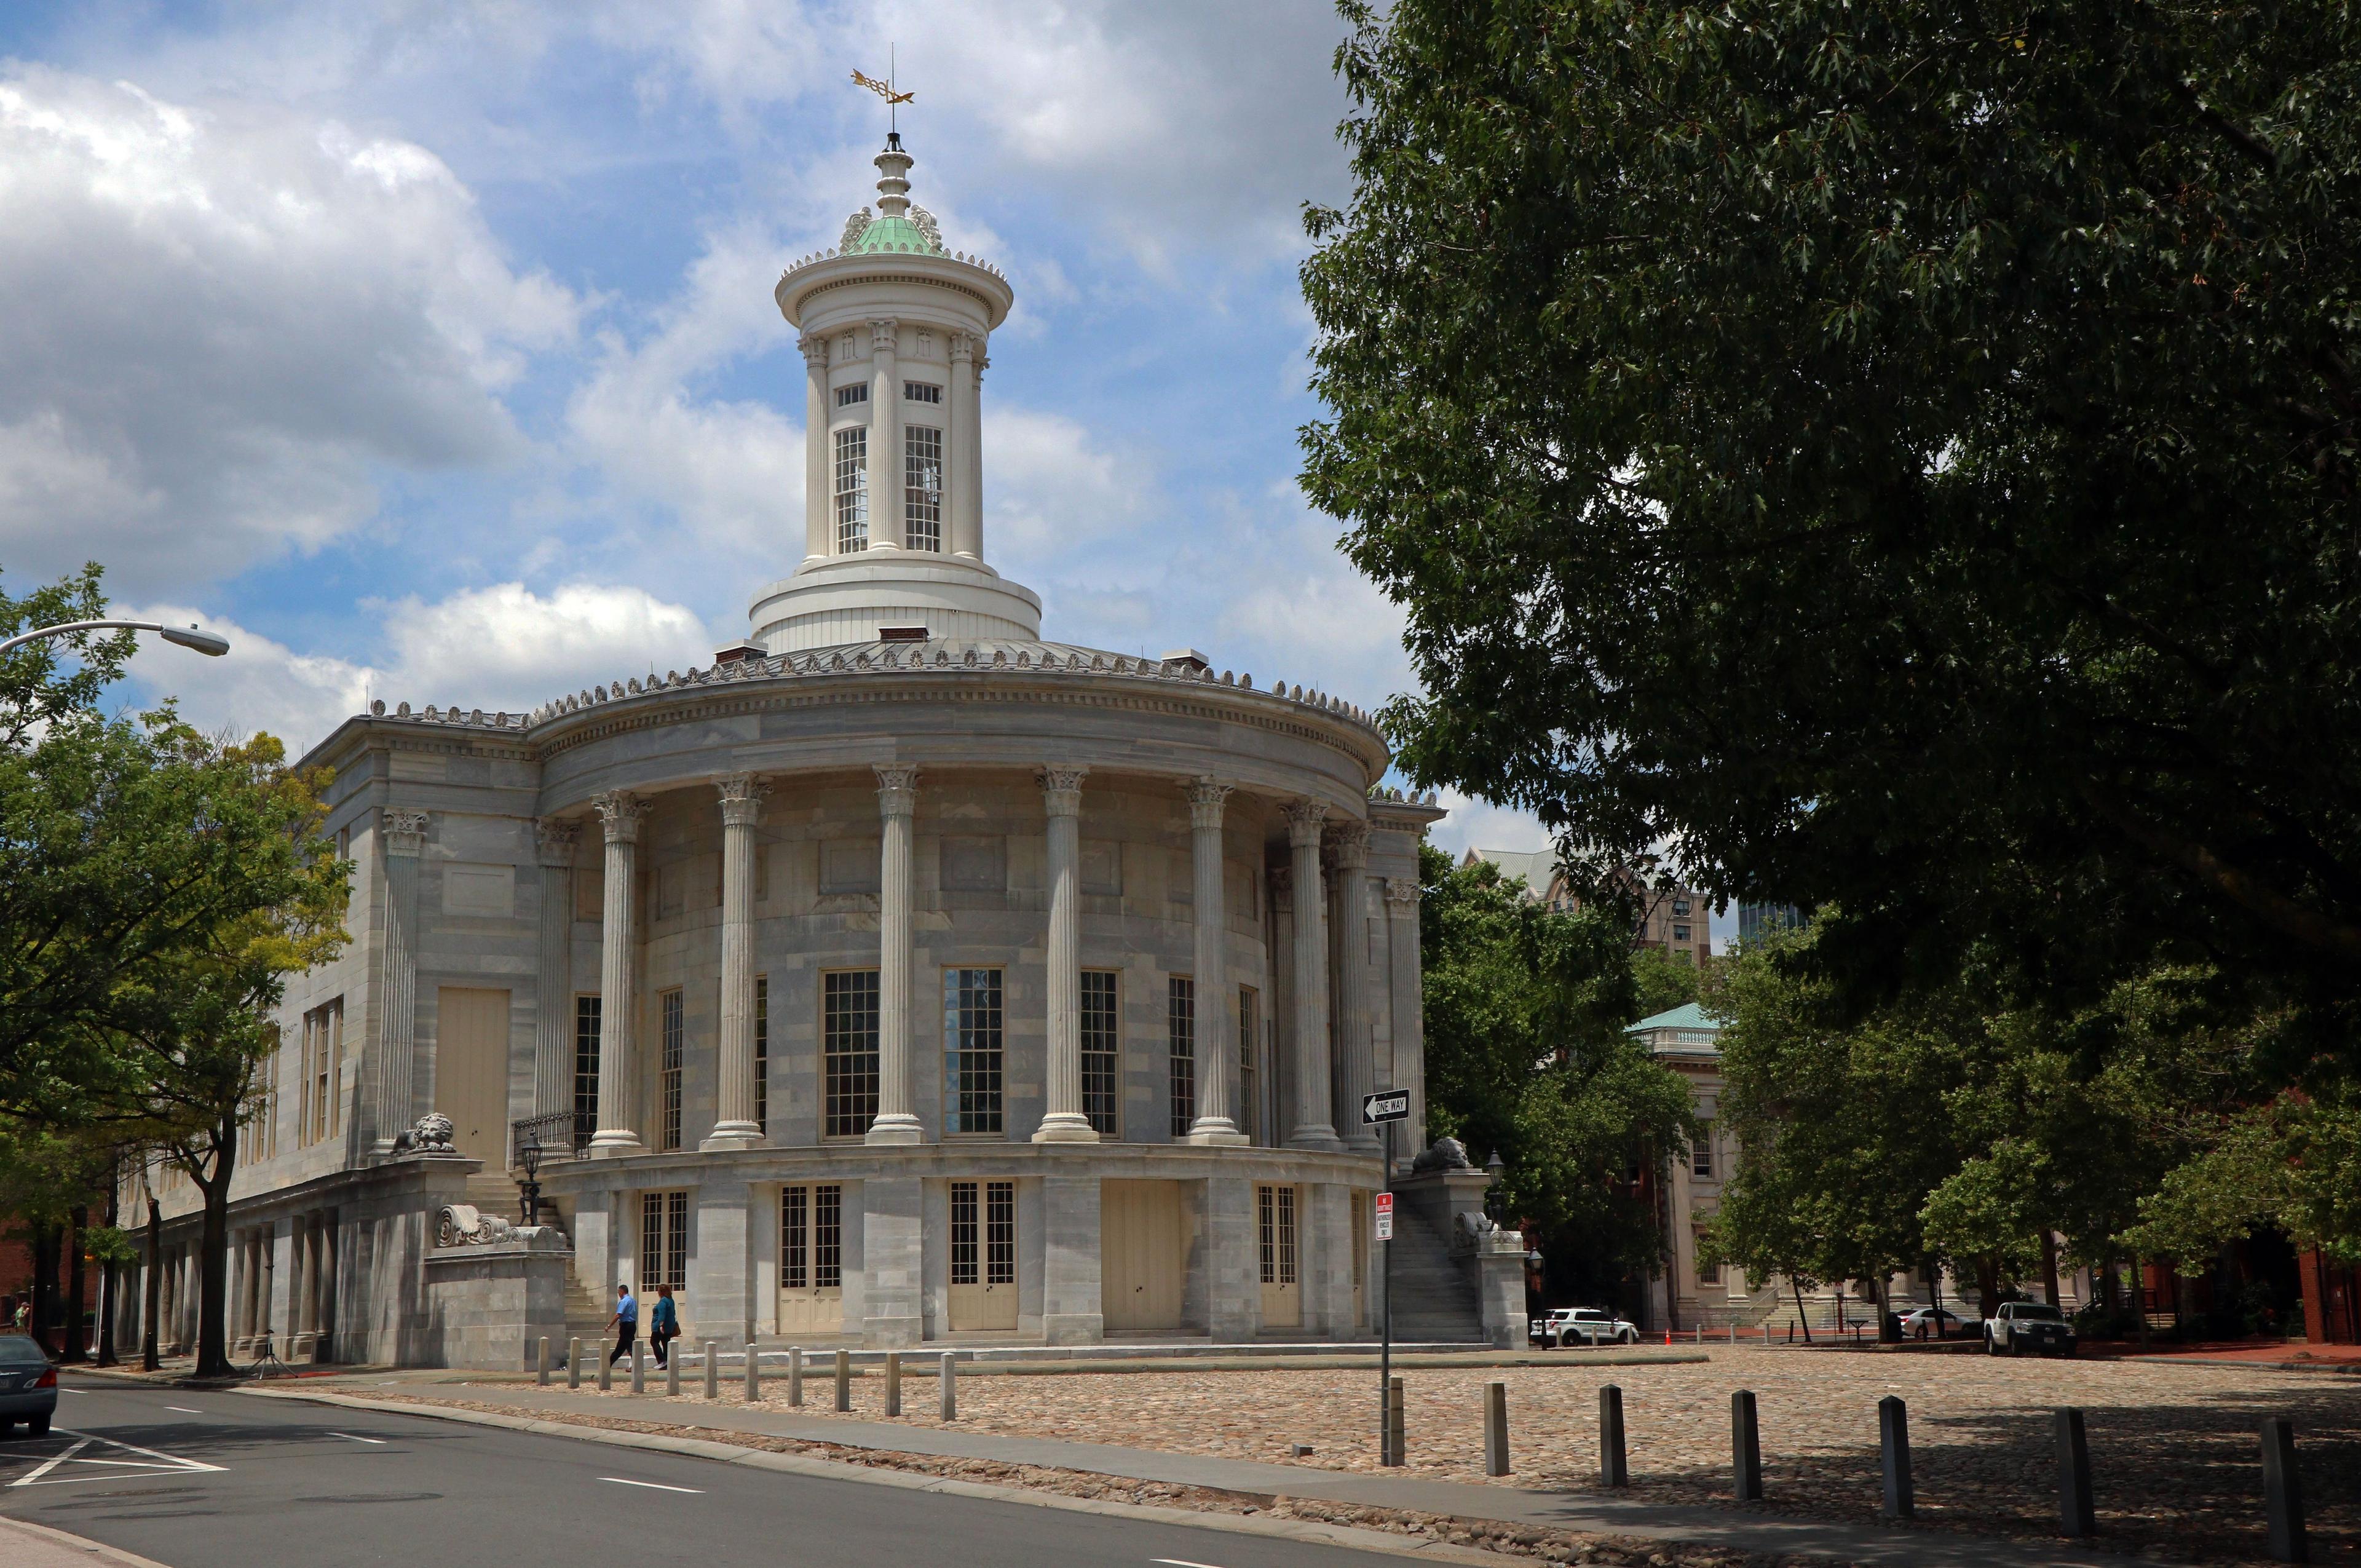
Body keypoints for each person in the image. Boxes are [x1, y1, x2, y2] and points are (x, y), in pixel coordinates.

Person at [607, 1282, 637, 1366]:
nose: (618, 1294)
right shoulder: (633, 1301)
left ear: (622, 1291)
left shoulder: (624, 1301)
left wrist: (609, 1326)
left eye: (619, 1292)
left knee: (629, 1346)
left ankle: (636, 1365)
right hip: (632, 1324)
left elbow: (618, 1315)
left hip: (626, 1326)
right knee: (622, 1347)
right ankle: (609, 1363)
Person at [649, 1285, 679, 1368]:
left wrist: (661, 1325)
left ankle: (662, 1361)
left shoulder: (663, 1301)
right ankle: (667, 1362)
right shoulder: (671, 1300)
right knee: (665, 1343)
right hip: (670, 1326)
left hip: (660, 1325)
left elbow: (662, 1314)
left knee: (654, 1341)